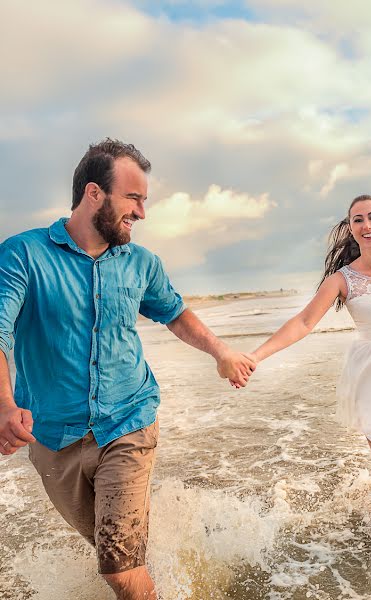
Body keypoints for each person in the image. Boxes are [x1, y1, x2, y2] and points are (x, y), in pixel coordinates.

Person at [0, 139, 256, 599]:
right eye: (134, 198)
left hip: (129, 421)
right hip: (54, 438)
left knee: (117, 568)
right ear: (94, 193)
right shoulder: (22, 254)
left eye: (144, 200)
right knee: (112, 552)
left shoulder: (142, 262)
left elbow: (174, 312)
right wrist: (3, 402)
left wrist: (220, 352)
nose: (142, 212)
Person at [249, 195, 371, 518]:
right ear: (351, 229)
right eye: (358, 220)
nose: (367, 225)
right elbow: (304, 321)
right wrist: (256, 355)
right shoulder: (341, 280)